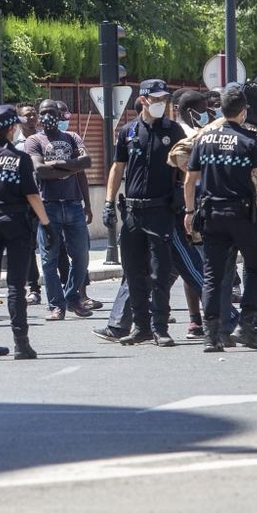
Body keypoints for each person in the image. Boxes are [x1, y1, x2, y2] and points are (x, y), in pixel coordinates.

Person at [184, 84, 257, 352]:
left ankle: (212, 336)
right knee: (255, 269)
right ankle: (247, 325)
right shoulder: (248, 140)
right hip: (243, 215)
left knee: (213, 275)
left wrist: (189, 211)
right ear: (243, 111)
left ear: (221, 109)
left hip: (211, 215)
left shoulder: (204, 139)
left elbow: (189, 180)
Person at [0, 104, 57, 360]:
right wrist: (47, 224)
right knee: (16, 285)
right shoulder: (20, 158)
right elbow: (32, 195)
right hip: (16, 222)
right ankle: (21, 343)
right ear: (10, 129)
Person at [101, 79, 186, 346]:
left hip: (161, 210)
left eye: (165, 100)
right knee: (134, 272)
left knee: (159, 274)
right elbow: (117, 168)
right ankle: (141, 327)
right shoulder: (128, 131)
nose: (162, 104)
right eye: (157, 99)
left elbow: (186, 165)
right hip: (133, 212)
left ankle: (160, 327)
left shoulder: (174, 132)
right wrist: (108, 202)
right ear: (144, 100)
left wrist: (181, 191)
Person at [24, 98, 93, 320]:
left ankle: (73, 297)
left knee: (81, 256)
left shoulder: (72, 137)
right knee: (48, 259)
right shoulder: (34, 140)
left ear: (59, 113)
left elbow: (87, 162)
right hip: (48, 207)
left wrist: (88, 204)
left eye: (51, 111)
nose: (47, 116)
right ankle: (57, 305)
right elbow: (39, 170)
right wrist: (70, 168)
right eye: (43, 112)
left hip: (74, 204)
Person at [13, 102, 43, 304]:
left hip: (47, 198)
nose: (31, 118)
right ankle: (33, 288)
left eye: (34, 114)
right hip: (25, 202)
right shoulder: (16, 146)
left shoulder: (45, 140)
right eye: (27, 115)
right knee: (28, 246)